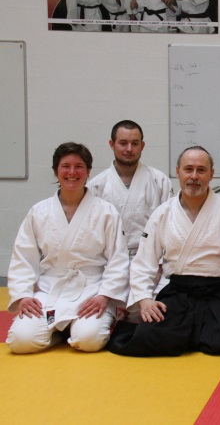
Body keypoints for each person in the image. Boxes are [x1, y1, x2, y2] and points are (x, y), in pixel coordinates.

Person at [107, 146, 220, 357]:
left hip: (218, 292)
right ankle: (197, 333)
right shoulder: (163, 213)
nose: (194, 176)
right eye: (188, 169)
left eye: (201, 170)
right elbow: (144, 262)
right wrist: (145, 299)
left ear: (212, 174)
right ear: (178, 172)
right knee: (146, 336)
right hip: (178, 292)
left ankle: (189, 334)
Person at [6, 143, 129, 354]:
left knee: (88, 341)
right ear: (56, 171)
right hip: (50, 290)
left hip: (92, 290)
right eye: (65, 166)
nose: (72, 172)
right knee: (21, 341)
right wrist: (24, 295)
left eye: (79, 166)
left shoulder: (106, 212)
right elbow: (23, 258)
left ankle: (75, 328)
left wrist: (105, 295)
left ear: (88, 171)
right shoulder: (39, 212)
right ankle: (57, 332)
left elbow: (118, 259)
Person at [88, 120, 173, 319]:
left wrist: (160, 264)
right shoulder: (96, 186)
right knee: (96, 321)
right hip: (109, 265)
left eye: (135, 143)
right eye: (123, 143)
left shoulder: (159, 181)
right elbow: (91, 234)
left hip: (150, 263)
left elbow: (169, 228)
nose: (129, 149)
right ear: (112, 144)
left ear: (142, 146)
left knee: (152, 317)